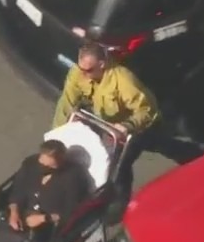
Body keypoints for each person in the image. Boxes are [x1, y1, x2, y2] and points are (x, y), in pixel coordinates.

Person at [51, 42, 159, 217]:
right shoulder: (79, 73)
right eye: (81, 69)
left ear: (102, 64)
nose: (84, 75)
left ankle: (120, 205)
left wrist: (127, 126)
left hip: (136, 127)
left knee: (121, 166)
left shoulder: (123, 80)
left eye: (89, 70)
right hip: (106, 124)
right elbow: (67, 103)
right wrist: (58, 136)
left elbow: (147, 109)